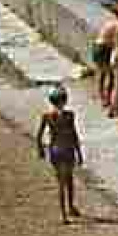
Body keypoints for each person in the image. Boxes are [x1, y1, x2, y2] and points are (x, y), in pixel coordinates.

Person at [35, 86, 83, 224]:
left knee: (61, 182)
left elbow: (39, 135)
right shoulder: (69, 115)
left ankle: (64, 214)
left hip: (55, 150)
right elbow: (74, 135)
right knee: (69, 179)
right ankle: (70, 207)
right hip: (68, 149)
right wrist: (79, 153)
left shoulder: (47, 116)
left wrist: (40, 150)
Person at [92, 8, 118, 109]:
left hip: (97, 46)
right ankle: (106, 99)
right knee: (110, 75)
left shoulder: (111, 22)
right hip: (103, 49)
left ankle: (102, 96)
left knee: (102, 73)